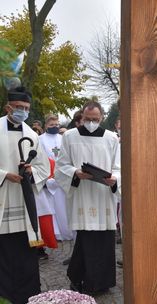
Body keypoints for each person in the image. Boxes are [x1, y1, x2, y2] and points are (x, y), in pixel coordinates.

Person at [55, 100, 120, 294]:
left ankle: (102, 282)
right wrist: (75, 172)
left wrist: (115, 179)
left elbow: (118, 167)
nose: (91, 123)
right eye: (88, 119)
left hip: (103, 196)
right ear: (81, 117)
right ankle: (80, 279)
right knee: (86, 238)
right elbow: (61, 166)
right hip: (82, 195)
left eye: (96, 119)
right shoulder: (69, 137)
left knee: (104, 239)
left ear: (101, 118)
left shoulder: (111, 138)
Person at [0, 86, 50, 304]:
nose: (22, 112)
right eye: (19, 107)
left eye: (26, 108)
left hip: (23, 202)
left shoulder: (32, 135)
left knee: (24, 254)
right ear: (8, 107)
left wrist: (31, 172)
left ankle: (27, 296)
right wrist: (3, 175)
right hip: (2, 199)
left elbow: (43, 168)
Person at [38, 114, 74, 242]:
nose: (55, 127)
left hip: (64, 174)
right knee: (53, 206)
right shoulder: (40, 139)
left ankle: (69, 231)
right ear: (46, 125)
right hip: (49, 176)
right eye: (52, 125)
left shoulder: (63, 138)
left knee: (65, 204)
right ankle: (56, 232)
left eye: (57, 124)